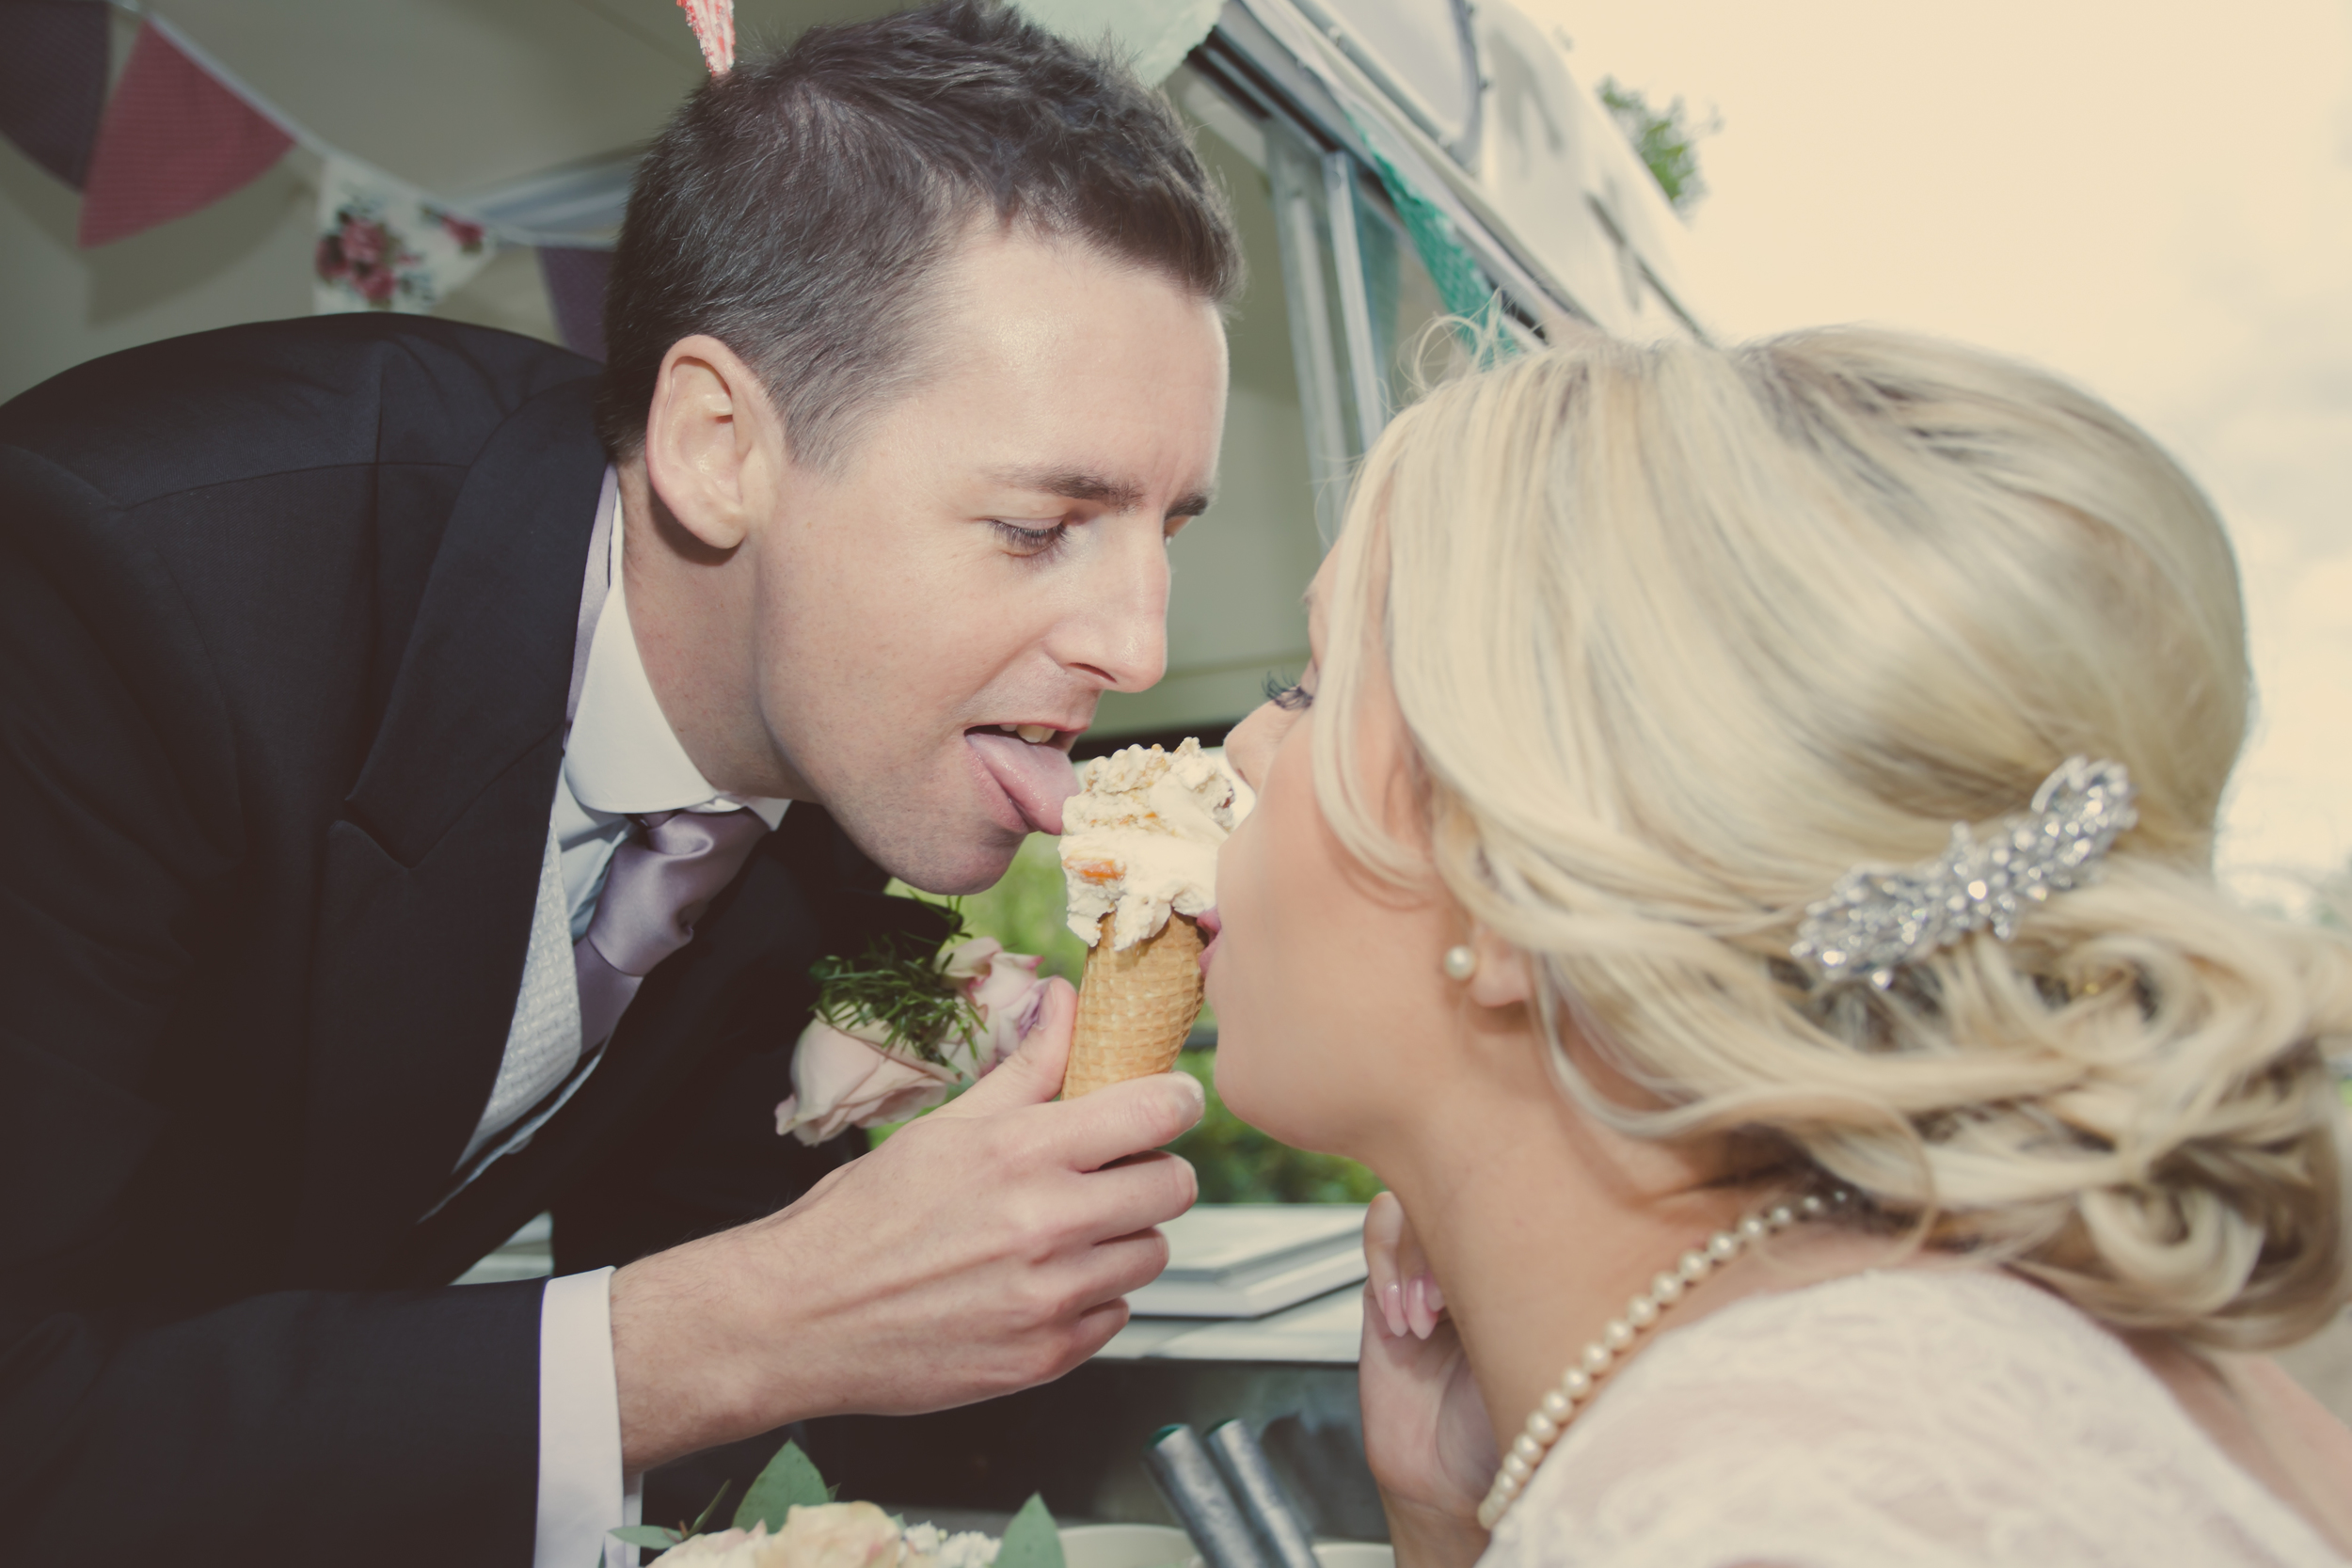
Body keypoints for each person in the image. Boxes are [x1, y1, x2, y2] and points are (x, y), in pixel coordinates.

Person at [0, 5, 1237, 1563]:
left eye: (1168, 532)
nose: (1140, 647)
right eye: (1039, 525)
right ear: (719, 445)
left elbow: (676, 1329)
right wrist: (755, 1320)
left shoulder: (836, 803)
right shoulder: (109, 594)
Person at [1204, 326, 2352, 1566]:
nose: (1246, 749)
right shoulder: (1909, 1375)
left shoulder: (1748, 1510)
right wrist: (1450, 1520)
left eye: (1313, 688)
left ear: (1510, 876)